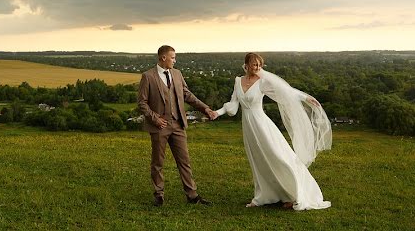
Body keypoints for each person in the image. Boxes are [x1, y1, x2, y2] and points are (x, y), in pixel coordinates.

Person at [214, 52, 331, 210]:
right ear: (246, 65)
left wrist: (305, 98)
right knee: (258, 162)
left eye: (259, 65)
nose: (257, 67)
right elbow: (233, 105)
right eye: (254, 64)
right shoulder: (238, 81)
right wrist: (217, 113)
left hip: (263, 125)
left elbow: (284, 92)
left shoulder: (262, 82)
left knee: (278, 157)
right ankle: (263, 196)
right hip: (248, 128)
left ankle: (295, 194)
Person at [137, 45, 218, 206]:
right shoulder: (148, 76)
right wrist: (155, 119)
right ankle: (159, 194)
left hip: (178, 124)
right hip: (159, 126)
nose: (175, 60)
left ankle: (192, 195)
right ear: (163, 58)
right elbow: (142, 103)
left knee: (184, 160)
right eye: (172, 57)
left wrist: (205, 108)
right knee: (158, 162)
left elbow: (188, 95)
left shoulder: (177, 74)